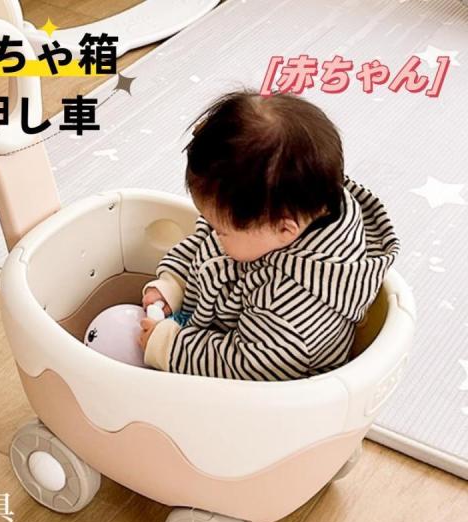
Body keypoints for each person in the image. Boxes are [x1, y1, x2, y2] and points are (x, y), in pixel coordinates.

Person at [138, 87, 400, 381]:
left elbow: (246, 365)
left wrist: (171, 347)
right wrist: (173, 283)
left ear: (285, 229)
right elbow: (206, 244)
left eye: (220, 230)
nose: (212, 232)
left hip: (261, 385)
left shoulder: (295, 307)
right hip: (216, 324)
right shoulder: (279, 213)